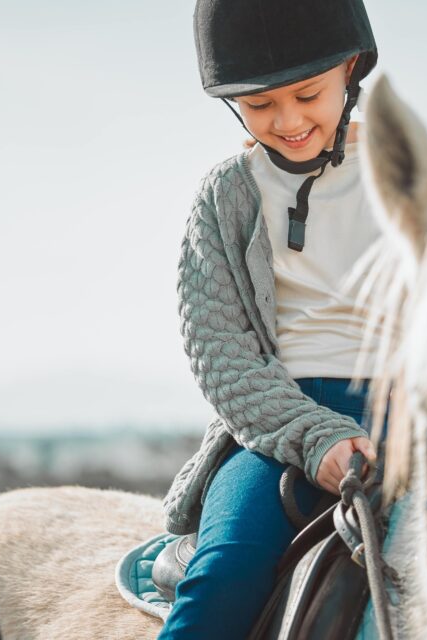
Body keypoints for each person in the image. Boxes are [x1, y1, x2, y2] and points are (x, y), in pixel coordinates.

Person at [159, 0, 385, 636]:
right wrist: (315, 437)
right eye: (259, 105)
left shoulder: (410, 175)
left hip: (412, 416)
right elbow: (221, 355)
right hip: (275, 425)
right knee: (224, 575)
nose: (287, 121)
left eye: (308, 95)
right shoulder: (225, 196)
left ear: (349, 67)